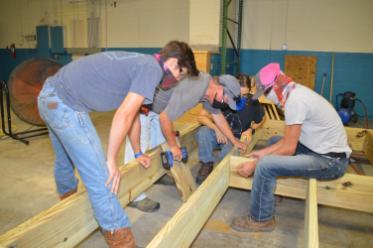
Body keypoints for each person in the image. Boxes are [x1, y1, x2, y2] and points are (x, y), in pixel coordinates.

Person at [37, 40, 198, 248]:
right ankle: (123, 242)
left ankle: (68, 209)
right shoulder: (152, 69)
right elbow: (123, 115)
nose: (177, 81)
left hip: (48, 95)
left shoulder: (143, 64)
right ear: (174, 63)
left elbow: (133, 117)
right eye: (181, 74)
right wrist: (111, 160)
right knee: (103, 178)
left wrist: (138, 152)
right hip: (64, 104)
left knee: (65, 161)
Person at [231, 63, 351, 232]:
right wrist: (261, 153)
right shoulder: (295, 92)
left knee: (265, 166)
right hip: (317, 148)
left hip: (330, 161)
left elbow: (288, 148)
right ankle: (271, 192)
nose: (267, 97)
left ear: (275, 87)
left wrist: (256, 163)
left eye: (266, 92)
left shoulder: (295, 101)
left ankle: (261, 219)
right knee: (273, 142)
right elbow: (287, 141)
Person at [124, 72, 247, 211]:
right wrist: (173, 146)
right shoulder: (197, 87)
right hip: (143, 103)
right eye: (225, 99)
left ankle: (158, 176)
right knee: (138, 151)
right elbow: (166, 118)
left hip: (159, 110)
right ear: (220, 87)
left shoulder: (209, 92)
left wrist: (233, 141)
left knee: (158, 146)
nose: (223, 103)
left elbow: (218, 116)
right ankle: (134, 196)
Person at [195, 74, 265, 184]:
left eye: (245, 95)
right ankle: (207, 163)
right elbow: (201, 117)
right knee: (203, 132)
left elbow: (262, 119)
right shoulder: (222, 97)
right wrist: (216, 129)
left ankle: (219, 172)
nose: (241, 98)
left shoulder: (253, 102)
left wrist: (251, 129)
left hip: (236, 139)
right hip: (219, 135)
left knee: (226, 155)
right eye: (238, 94)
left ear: (250, 92)